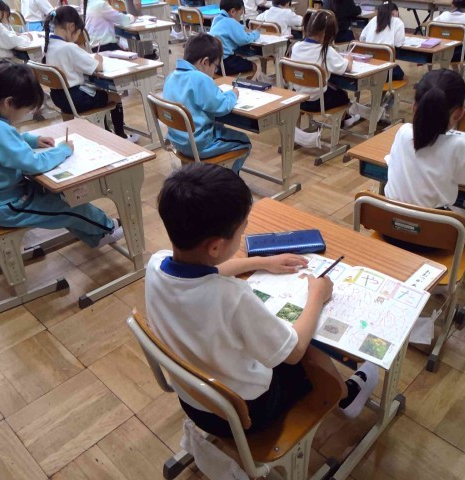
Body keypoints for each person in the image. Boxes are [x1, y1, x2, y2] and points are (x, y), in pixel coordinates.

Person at [146, 162, 379, 438]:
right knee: (309, 343)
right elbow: (293, 352)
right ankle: (347, 396)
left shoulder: (156, 264)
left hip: (196, 402)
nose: (242, 235)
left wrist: (261, 261)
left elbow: (210, 271)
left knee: (277, 336)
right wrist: (317, 296)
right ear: (216, 246)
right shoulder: (232, 296)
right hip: (247, 413)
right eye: (241, 231)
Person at [0, 63, 124, 248]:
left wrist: (30, 140)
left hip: (1, 198)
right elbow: (34, 163)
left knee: (63, 198)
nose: (25, 116)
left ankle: (96, 235)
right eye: (26, 111)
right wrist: (63, 150)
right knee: (73, 208)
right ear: (9, 103)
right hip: (9, 205)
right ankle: (107, 229)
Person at [385, 69, 465, 209]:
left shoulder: (403, 132)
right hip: (433, 222)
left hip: (388, 219)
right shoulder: (459, 147)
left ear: (414, 108)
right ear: (459, 113)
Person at [43, 6, 138, 142]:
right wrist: (98, 60)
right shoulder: (69, 47)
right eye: (77, 34)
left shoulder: (48, 45)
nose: (76, 39)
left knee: (98, 91)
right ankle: (120, 136)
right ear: (71, 27)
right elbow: (98, 67)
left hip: (59, 98)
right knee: (115, 96)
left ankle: (107, 131)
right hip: (75, 98)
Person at [162, 33, 251, 172]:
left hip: (178, 141)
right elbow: (222, 107)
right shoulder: (200, 79)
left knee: (218, 126)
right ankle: (229, 181)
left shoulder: (171, 77)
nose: (215, 71)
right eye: (215, 67)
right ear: (205, 62)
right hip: (200, 144)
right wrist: (232, 94)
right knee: (244, 142)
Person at [290, 9, 352, 113]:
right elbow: (347, 67)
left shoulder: (296, 47)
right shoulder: (326, 51)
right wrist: (349, 59)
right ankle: (344, 119)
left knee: (331, 86)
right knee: (343, 95)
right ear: (325, 34)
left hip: (298, 98)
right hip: (317, 102)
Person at [209, 0, 260, 77]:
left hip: (213, 62)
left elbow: (228, 28)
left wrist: (242, 27)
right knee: (254, 66)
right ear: (233, 12)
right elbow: (244, 39)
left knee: (239, 57)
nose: (239, 18)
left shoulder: (216, 19)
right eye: (240, 14)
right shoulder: (230, 21)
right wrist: (256, 33)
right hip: (225, 63)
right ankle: (236, 83)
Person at [360, 0, 405, 80]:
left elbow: (362, 38)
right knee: (399, 73)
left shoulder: (374, 19)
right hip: (384, 64)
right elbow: (398, 43)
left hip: (368, 63)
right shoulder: (398, 22)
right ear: (395, 12)